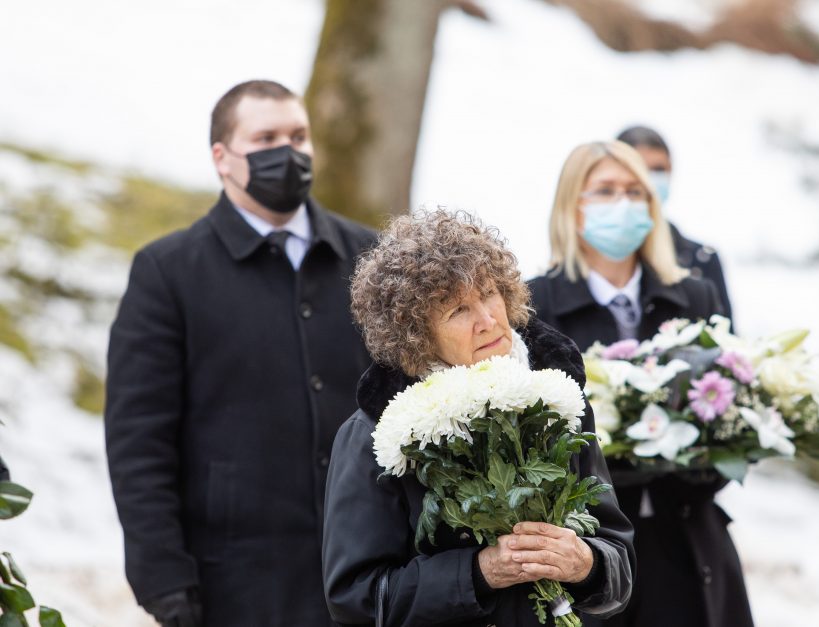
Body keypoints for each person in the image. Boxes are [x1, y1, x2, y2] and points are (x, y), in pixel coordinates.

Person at [104, 80, 376, 627]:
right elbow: (139, 437)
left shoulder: (372, 258)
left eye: (299, 136)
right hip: (235, 582)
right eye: (266, 137)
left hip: (371, 572)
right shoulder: (169, 272)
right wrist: (162, 576)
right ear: (222, 158)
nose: (289, 152)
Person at [322, 210, 635, 626]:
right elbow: (357, 599)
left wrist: (585, 564)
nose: (487, 321)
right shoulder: (375, 433)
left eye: (489, 293)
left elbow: (618, 562)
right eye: (457, 311)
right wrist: (477, 573)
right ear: (415, 333)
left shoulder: (557, 401)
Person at [528, 141, 753, 627]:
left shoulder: (694, 295)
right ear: (572, 206)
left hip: (687, 544)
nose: (623, 204)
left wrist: (698, 457)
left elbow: (736, 407)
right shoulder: (534, 306)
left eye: (635, 191)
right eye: (605, 191)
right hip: (589, 558)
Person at [616, 126, 734, 328]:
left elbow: (726, 342)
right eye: (641, 169)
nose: (650, 179)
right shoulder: (600, 256)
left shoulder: (702, 258)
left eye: (659, 170)